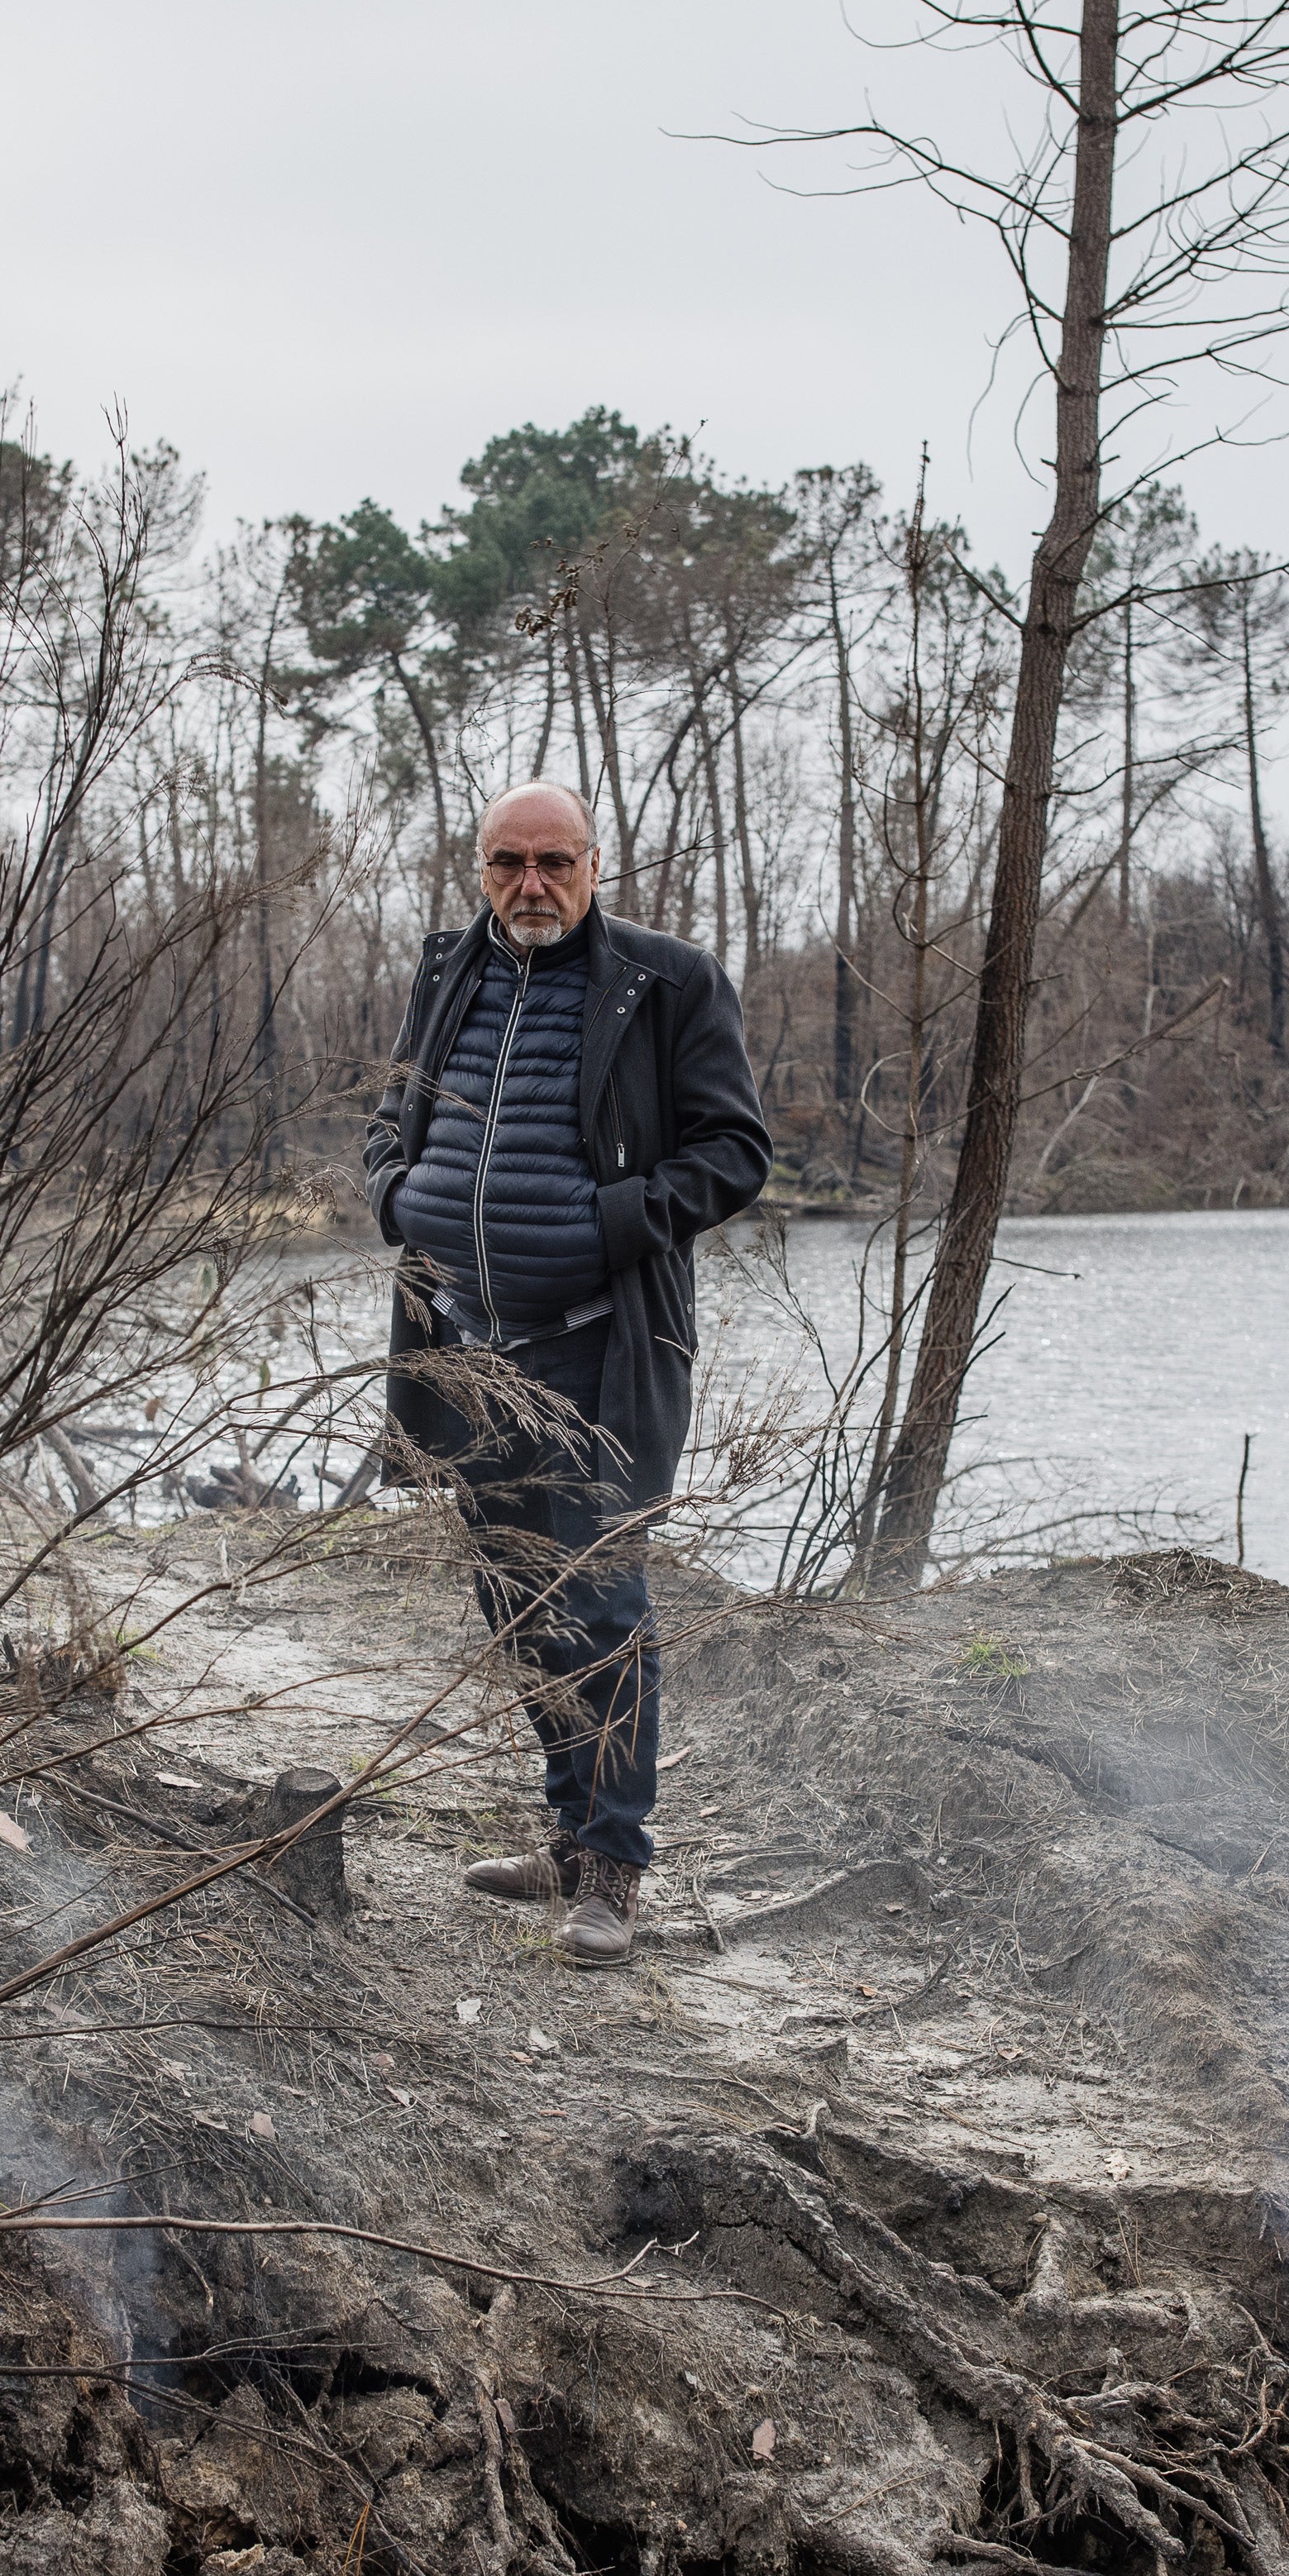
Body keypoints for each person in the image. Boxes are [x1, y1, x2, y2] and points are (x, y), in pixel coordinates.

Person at [364, 781, 771, 1963]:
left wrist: (610, 1220)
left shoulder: (667, 981)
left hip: (597, 1344)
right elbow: (395, 1115)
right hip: (458, 1342)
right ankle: (561, 1833)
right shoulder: (447, 971)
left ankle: (611, 1870)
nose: (528, 886)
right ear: (478, 867)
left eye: (553, 863)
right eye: (506, 863)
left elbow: (734, 1152)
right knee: (514, 1596)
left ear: (595, 864)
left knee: (596, 1603)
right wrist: (394, 1191)